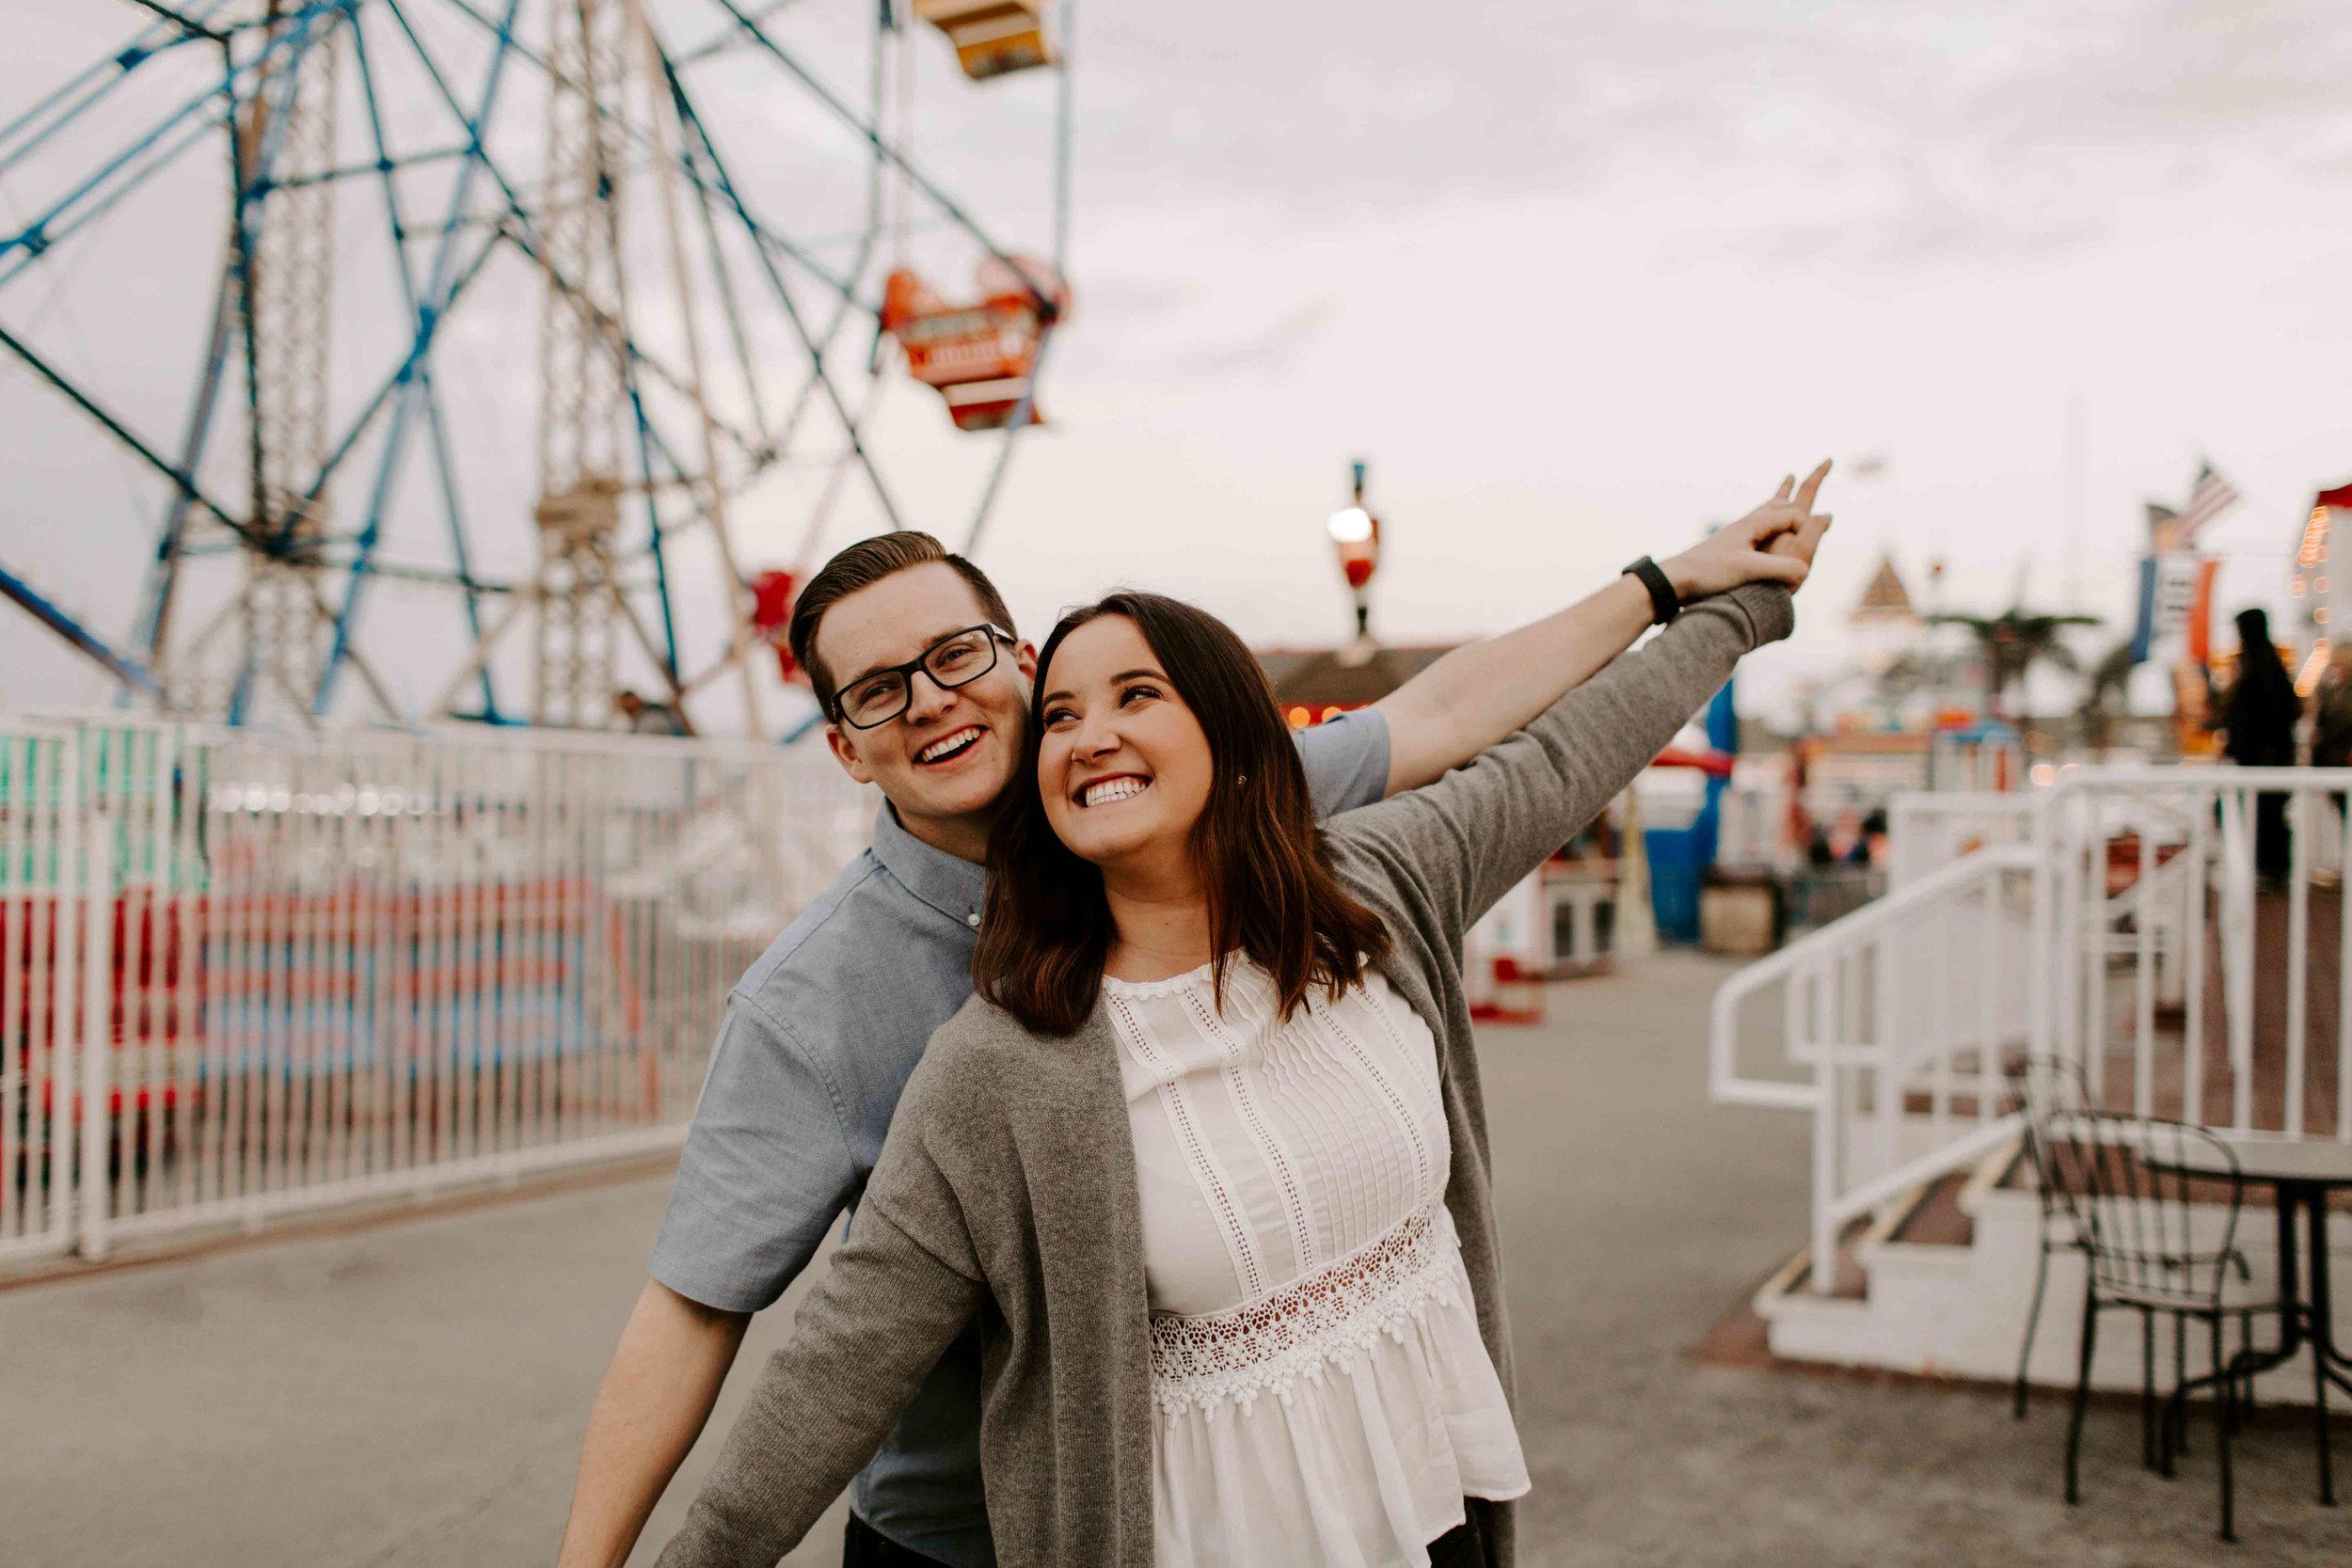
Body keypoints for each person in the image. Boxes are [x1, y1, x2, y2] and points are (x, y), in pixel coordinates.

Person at [558, 470, 1831, 1568]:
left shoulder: (1265, 832)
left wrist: (1684, 585)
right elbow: (726, 1317)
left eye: (957, 656)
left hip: (1361, 1487)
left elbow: (1465, 721)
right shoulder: (857, 1013)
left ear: (1015, 658)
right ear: (845, 747)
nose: (935, 699)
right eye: (881, 691)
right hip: (981, 1528)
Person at [2217, 607, 2298, 881]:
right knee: (2262, 814)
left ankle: (2272, 869)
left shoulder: (2262, 663)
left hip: (2265, 756)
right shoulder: (2259, 661)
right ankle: (2268, 868)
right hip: (2262, 754)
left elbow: (2274, 710)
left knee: (2267, 815)